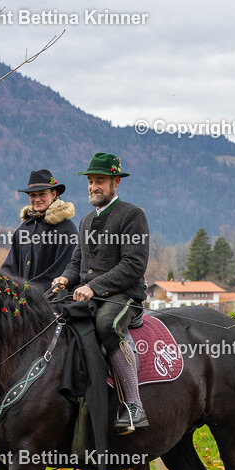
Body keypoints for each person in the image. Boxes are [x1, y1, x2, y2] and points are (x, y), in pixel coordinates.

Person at [51, 153, 150, 433]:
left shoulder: (132, 215)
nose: (94, 187)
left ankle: (134, 406)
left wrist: (93, 287)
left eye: (101, 181)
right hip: (86, 293)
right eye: (91, 181)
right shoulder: (84, 221)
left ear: (115, 182)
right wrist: (65, 279)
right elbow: (76, 263)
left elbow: (133, 265)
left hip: (123, 296)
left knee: (107, 324)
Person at [1, 169, 78, 293]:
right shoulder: (23, 229)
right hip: (23, 298)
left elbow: (64, 268)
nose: (37, 199)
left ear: (53, 195)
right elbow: (10, 267)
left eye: (42, 194)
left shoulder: (66, 229)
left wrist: (29, 290)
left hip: (52, 299)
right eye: (33, 195)